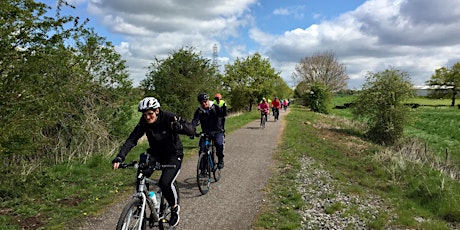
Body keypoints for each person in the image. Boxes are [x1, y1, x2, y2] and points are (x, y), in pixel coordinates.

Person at [112, 97, 194, 227]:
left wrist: (181, 127)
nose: (147, 118)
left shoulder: (169, 117)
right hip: (155, 153)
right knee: (141, 173)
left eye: (150, 114)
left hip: (173, 155)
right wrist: (120, 157)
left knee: (164, 183)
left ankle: (174, 208)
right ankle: (141, 204)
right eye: (145, 115)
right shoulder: (144, 122)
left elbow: (191, 130)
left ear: (157, 111)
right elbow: (132, 139)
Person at [192, 93, 227, 169]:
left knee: (218, 144)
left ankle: (220, 159)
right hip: (206, 133)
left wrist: (224, 110)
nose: (204, 104)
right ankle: (203, 169)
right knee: (202, 148)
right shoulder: (199, 111)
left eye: (205, 101)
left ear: (208, 100)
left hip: (217, 131)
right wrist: (192, 131)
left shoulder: (214, 107)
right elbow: (194, 121)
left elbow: (222, 114)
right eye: (201, 102)